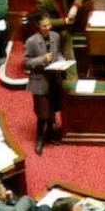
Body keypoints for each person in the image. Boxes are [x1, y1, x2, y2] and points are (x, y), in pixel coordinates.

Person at [23, 18, 66, 154]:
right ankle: (40, 139)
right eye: (44, 26)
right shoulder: (32, 41)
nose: (47, 28)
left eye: (49, 25)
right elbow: (27, 62)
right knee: (42, 113)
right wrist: (42, 59)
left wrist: (62, 62)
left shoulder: (56, 36)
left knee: (52, 109)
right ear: (39, 26)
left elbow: (58, 53)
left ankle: (50, 133)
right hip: (40, 80)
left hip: (53, 79)